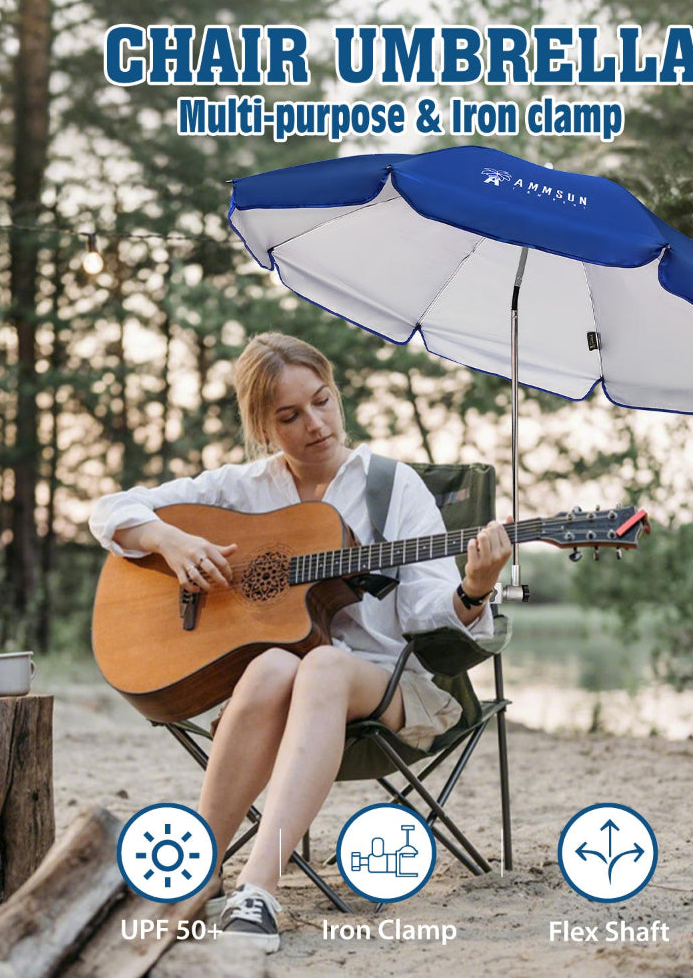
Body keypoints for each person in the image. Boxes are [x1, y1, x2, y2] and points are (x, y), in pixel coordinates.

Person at [89, 332, 512, 952]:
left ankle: (258, 889)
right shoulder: (243, 488)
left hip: (391, 688)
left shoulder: (391, 487)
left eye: (322, 401)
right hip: (282, 695)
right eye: (290, 416)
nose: (316, 425)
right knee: (268, 669)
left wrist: (474, 588)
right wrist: (170, 542)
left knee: (322, 666)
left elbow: (429, 607)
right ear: (263, 427)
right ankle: (197, 874)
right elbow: (110, 509)